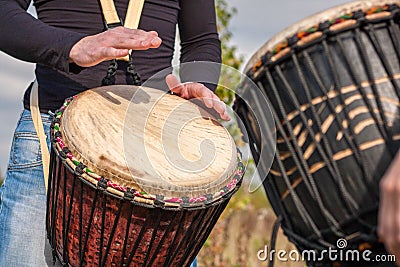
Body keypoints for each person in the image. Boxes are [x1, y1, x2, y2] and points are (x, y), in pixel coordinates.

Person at [0, 0, 228, 266]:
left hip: (153, 149)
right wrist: (72, 46)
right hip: (49, 135)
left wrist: (198, 83)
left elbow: (201, 39)